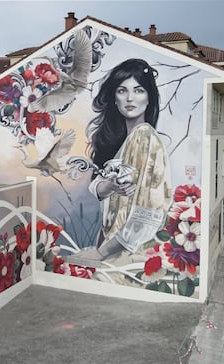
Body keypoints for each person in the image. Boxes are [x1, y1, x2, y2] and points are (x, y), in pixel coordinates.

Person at [76, 58, 172, 262]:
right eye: (122, 91)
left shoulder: (144, 137)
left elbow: (148, 213)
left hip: (124, 254)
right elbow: (97, 186)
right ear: (114, 98)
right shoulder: (123, 141)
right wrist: (109, 185)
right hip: (110, 246)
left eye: (138, 90)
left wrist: (101, 253)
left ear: (149, 98)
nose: (130, 98)